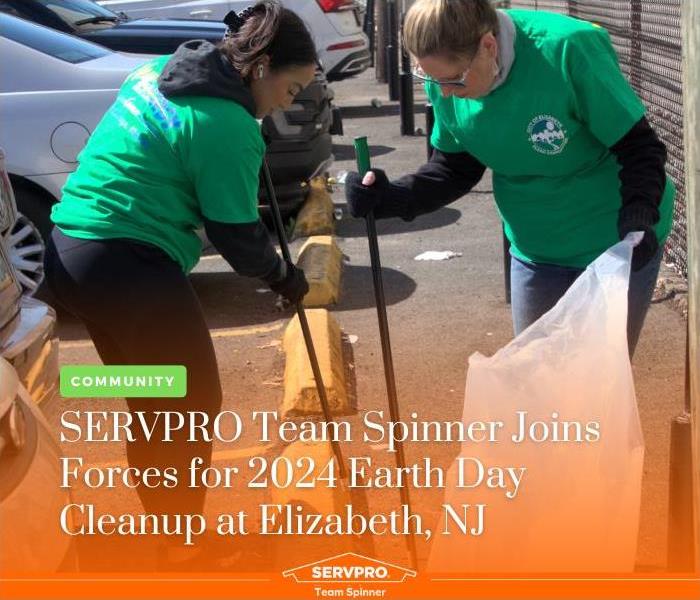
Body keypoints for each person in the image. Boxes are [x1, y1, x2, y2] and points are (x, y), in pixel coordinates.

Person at [45, 0, 314, 570]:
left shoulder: (157, 72)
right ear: (261, 68)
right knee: (189, 405)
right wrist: (285, 278)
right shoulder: (226, 125)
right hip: (126, 263)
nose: (287, 106)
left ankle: (171, 536)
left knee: (157, 402)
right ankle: (183, 548)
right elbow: (239, 238)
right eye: (291, 91)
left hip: (73, 252)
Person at [346, 0, 674, 356]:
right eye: (429, 78)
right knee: (537, 380)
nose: (443, 92)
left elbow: (640, 148)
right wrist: (391, 197)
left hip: (613, 240)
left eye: (453, 79)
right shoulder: (445, 78)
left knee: (597, 382)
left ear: (489, 46)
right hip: (535, 246)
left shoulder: (567, 50)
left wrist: (640, 213)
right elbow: (455, 168)